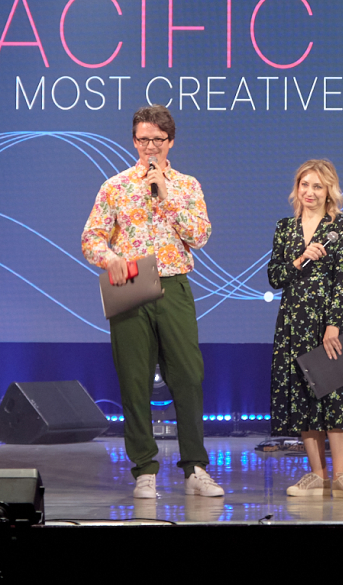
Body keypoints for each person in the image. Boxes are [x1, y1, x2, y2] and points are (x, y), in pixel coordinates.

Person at [80, 105, 224, 499]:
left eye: (157, 140)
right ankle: (144, 469)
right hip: (130, 285)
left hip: (173, 283)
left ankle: (195, 468)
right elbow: (91, 238)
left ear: (170, 142)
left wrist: (167, 197)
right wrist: (109, 258)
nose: (150, 147)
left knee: (188, 376)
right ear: (134, 141)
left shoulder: (187, 186)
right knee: (134, 379)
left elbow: (200, 236)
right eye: (143, 139)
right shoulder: (115, 186)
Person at [269, 159, 343, 498]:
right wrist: (298, 259)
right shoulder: (285, 228)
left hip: (330, 319)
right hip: (294, 321)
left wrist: (333, 325)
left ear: (329, 191)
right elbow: (275, 276)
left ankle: (341, 475)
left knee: (337, 394)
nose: (309, 192)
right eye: (304, 185)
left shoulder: (341, 225)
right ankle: (316, 474)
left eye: (317, 186)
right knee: (304, 397)